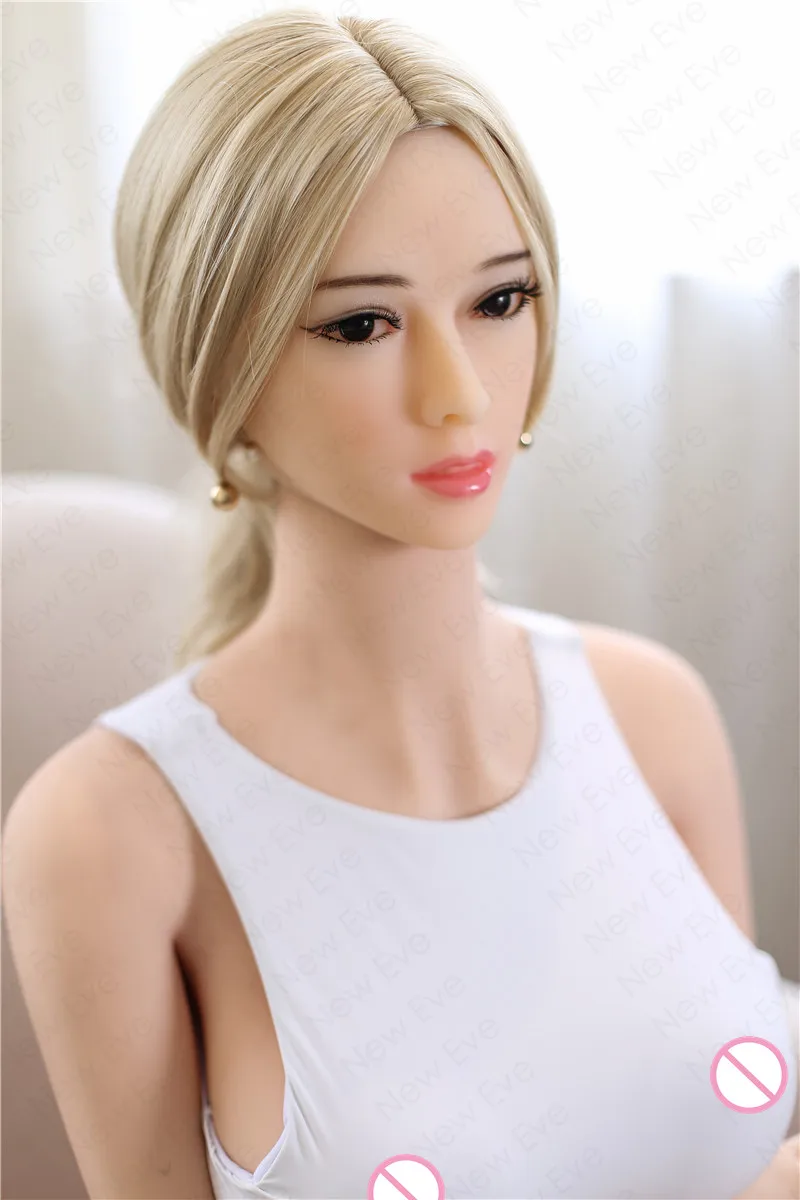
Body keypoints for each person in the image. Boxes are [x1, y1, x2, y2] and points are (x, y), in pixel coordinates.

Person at [3, 10, 797, 1199]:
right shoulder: (107, 833)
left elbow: (739, 1145)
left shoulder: (651, 715)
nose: (457, 390)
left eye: (499, 300)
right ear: (220, 365)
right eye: (361, 324)